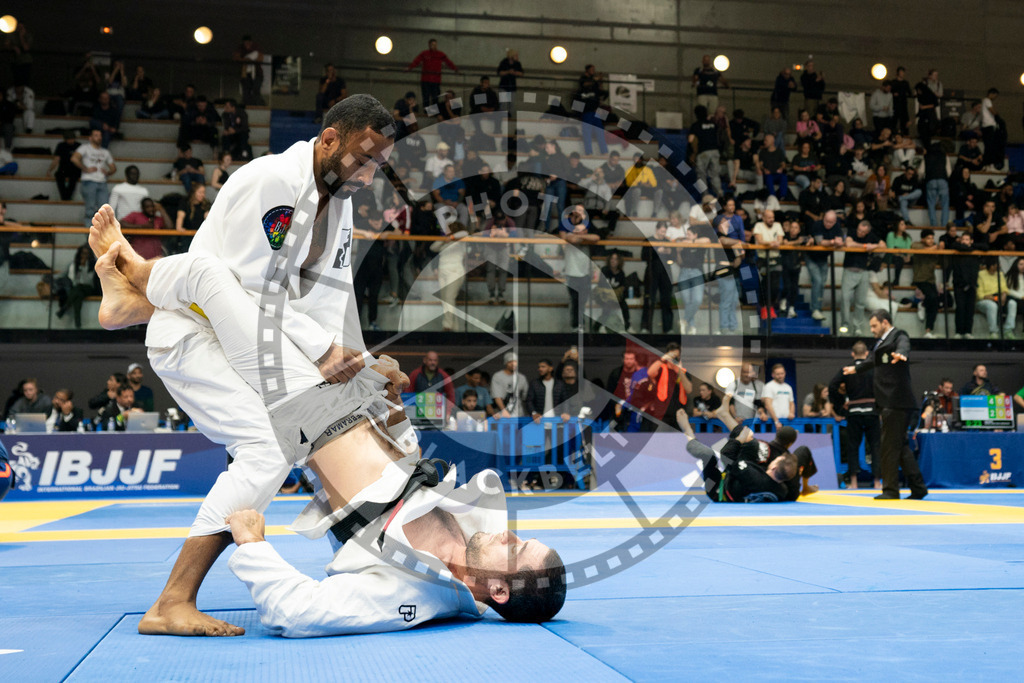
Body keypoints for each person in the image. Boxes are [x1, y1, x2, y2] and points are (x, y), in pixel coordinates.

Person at [86, 95, 396, 637]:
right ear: (327, 140)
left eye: (376, 166)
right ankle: (170, 603)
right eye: (360, 161)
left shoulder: (340, 201)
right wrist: (323, 351)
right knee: (271, 446)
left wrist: (357, 361)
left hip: (250, 337)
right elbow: (252, 285)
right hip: (196, 337)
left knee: (303, 435)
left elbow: (332, 296)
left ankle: (134, 295)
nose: (367, 176)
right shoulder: (272, 180)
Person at [843, 309, 928, 500]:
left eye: (874, 325)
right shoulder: (880, 344)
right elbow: (872, 361)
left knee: (888, 447)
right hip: (889, 401)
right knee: (900, 446)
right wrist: (855, 368)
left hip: (896, 400)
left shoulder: (898, 335)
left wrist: (901, 353)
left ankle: (890, 490)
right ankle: (918, 487)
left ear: (885, 322)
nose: (872, 329)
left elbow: (904, 344)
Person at [687, 427, 799, 503]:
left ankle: (689, 435)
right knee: (752, 444)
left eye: (776, 460)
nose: (773, 460)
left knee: (708, 455)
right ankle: (743, 433)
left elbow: (726, 455)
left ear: (774, 467)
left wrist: (739, 440)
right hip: (741, 484)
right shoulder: (782, 491)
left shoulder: (752, 475)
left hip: (717, 490)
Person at [829, 341, 879, 489]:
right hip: (872, 410)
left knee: (853, 447)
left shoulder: (847, 369)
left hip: (854, 411)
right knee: (876, 447)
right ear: (867, 354)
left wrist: (840, 403)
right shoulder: (874, 369)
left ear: (852, 354)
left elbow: (832, 386)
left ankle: (854, 481)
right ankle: (877, 482)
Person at [559, 204, 599, 332]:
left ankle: (581, 325)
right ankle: (575, 326)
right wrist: (579, 235)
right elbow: (569, 238)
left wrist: (581, 235)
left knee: (582, 301)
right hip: (572, 272)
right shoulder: (568, 229)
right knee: (575, 301)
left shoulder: (585, 232)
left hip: (585, 273)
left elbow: (596, 237)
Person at [72, 128, 116, 227]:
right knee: (90, 208)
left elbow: (113, 167)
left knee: (104, 209)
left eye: (100, 135)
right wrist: (85, 168)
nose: (99, 138)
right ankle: (89, 234)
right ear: (90, 138)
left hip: (102, 182)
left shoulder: (105, 152)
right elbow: (74, 158)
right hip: (88, 181)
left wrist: (108, 173)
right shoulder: (85, 148)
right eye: (96, 135)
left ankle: (102, 233)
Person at [406, 39, 458, 108]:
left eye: (435, 45)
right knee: (426, 97)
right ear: (429, 45)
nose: (434, 46)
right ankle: (426, 113)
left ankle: (433, 114)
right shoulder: (425, 54)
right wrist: (410, 68)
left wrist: (455, 69)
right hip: (426, 80)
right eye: (432, 45)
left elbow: (448, 62)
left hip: (435, 81)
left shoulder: (440, 54)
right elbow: (416, 61)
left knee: (435, 98)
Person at [976, 259, 1016, 339]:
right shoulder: (980, 274)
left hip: (999, 299)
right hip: (984, 301)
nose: (999, 266)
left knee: (1012, 303)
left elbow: (1004, 288)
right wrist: (995, 298)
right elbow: (980, 294)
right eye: (996, 265)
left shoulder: (1000, 274)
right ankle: (993, 332)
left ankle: (1008, 330)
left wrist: (1004, 295)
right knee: (992, 305)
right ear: (991, 266)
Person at [526, 359, 569, 423]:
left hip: (557, 421)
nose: (540, 369)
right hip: (539, 421)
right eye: (539, 367)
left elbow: (566, 401)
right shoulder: (534, 384)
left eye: (543, 367)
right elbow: (529, 401)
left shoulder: (560, 384)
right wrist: (534, 413)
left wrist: (566, 413)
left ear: (550, 368)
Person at [491, 352, 528, 418]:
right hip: (503, 414)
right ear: (505, 363)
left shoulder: (521, 377)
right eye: (510, 362)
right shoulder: (498, 376)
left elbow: (526, 396)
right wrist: (504, 411)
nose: (513, 364)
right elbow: (497, 397)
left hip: (519, 414)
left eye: (515, 361)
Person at [47, 129, 82, 201]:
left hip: (75, 169)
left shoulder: (78, 146)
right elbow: (56, 159)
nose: (71, 141)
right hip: (63, 169)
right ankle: (64, 197)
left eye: (72, 138)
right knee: (58, 175)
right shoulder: (61, 146)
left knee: (74, 178)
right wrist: (50, 170)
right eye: (69, 139)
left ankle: (68, 197)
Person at [762, 363, 795, 429]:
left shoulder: (788, 387)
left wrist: (791, 413)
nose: (780, 376)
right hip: (773, 422)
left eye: (782, 373)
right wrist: (776, 421)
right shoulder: (769, 386)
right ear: (773, 375)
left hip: (786, 421)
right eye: (778, 374)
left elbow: (791, 403)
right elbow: (768, 405)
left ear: (785, 373)